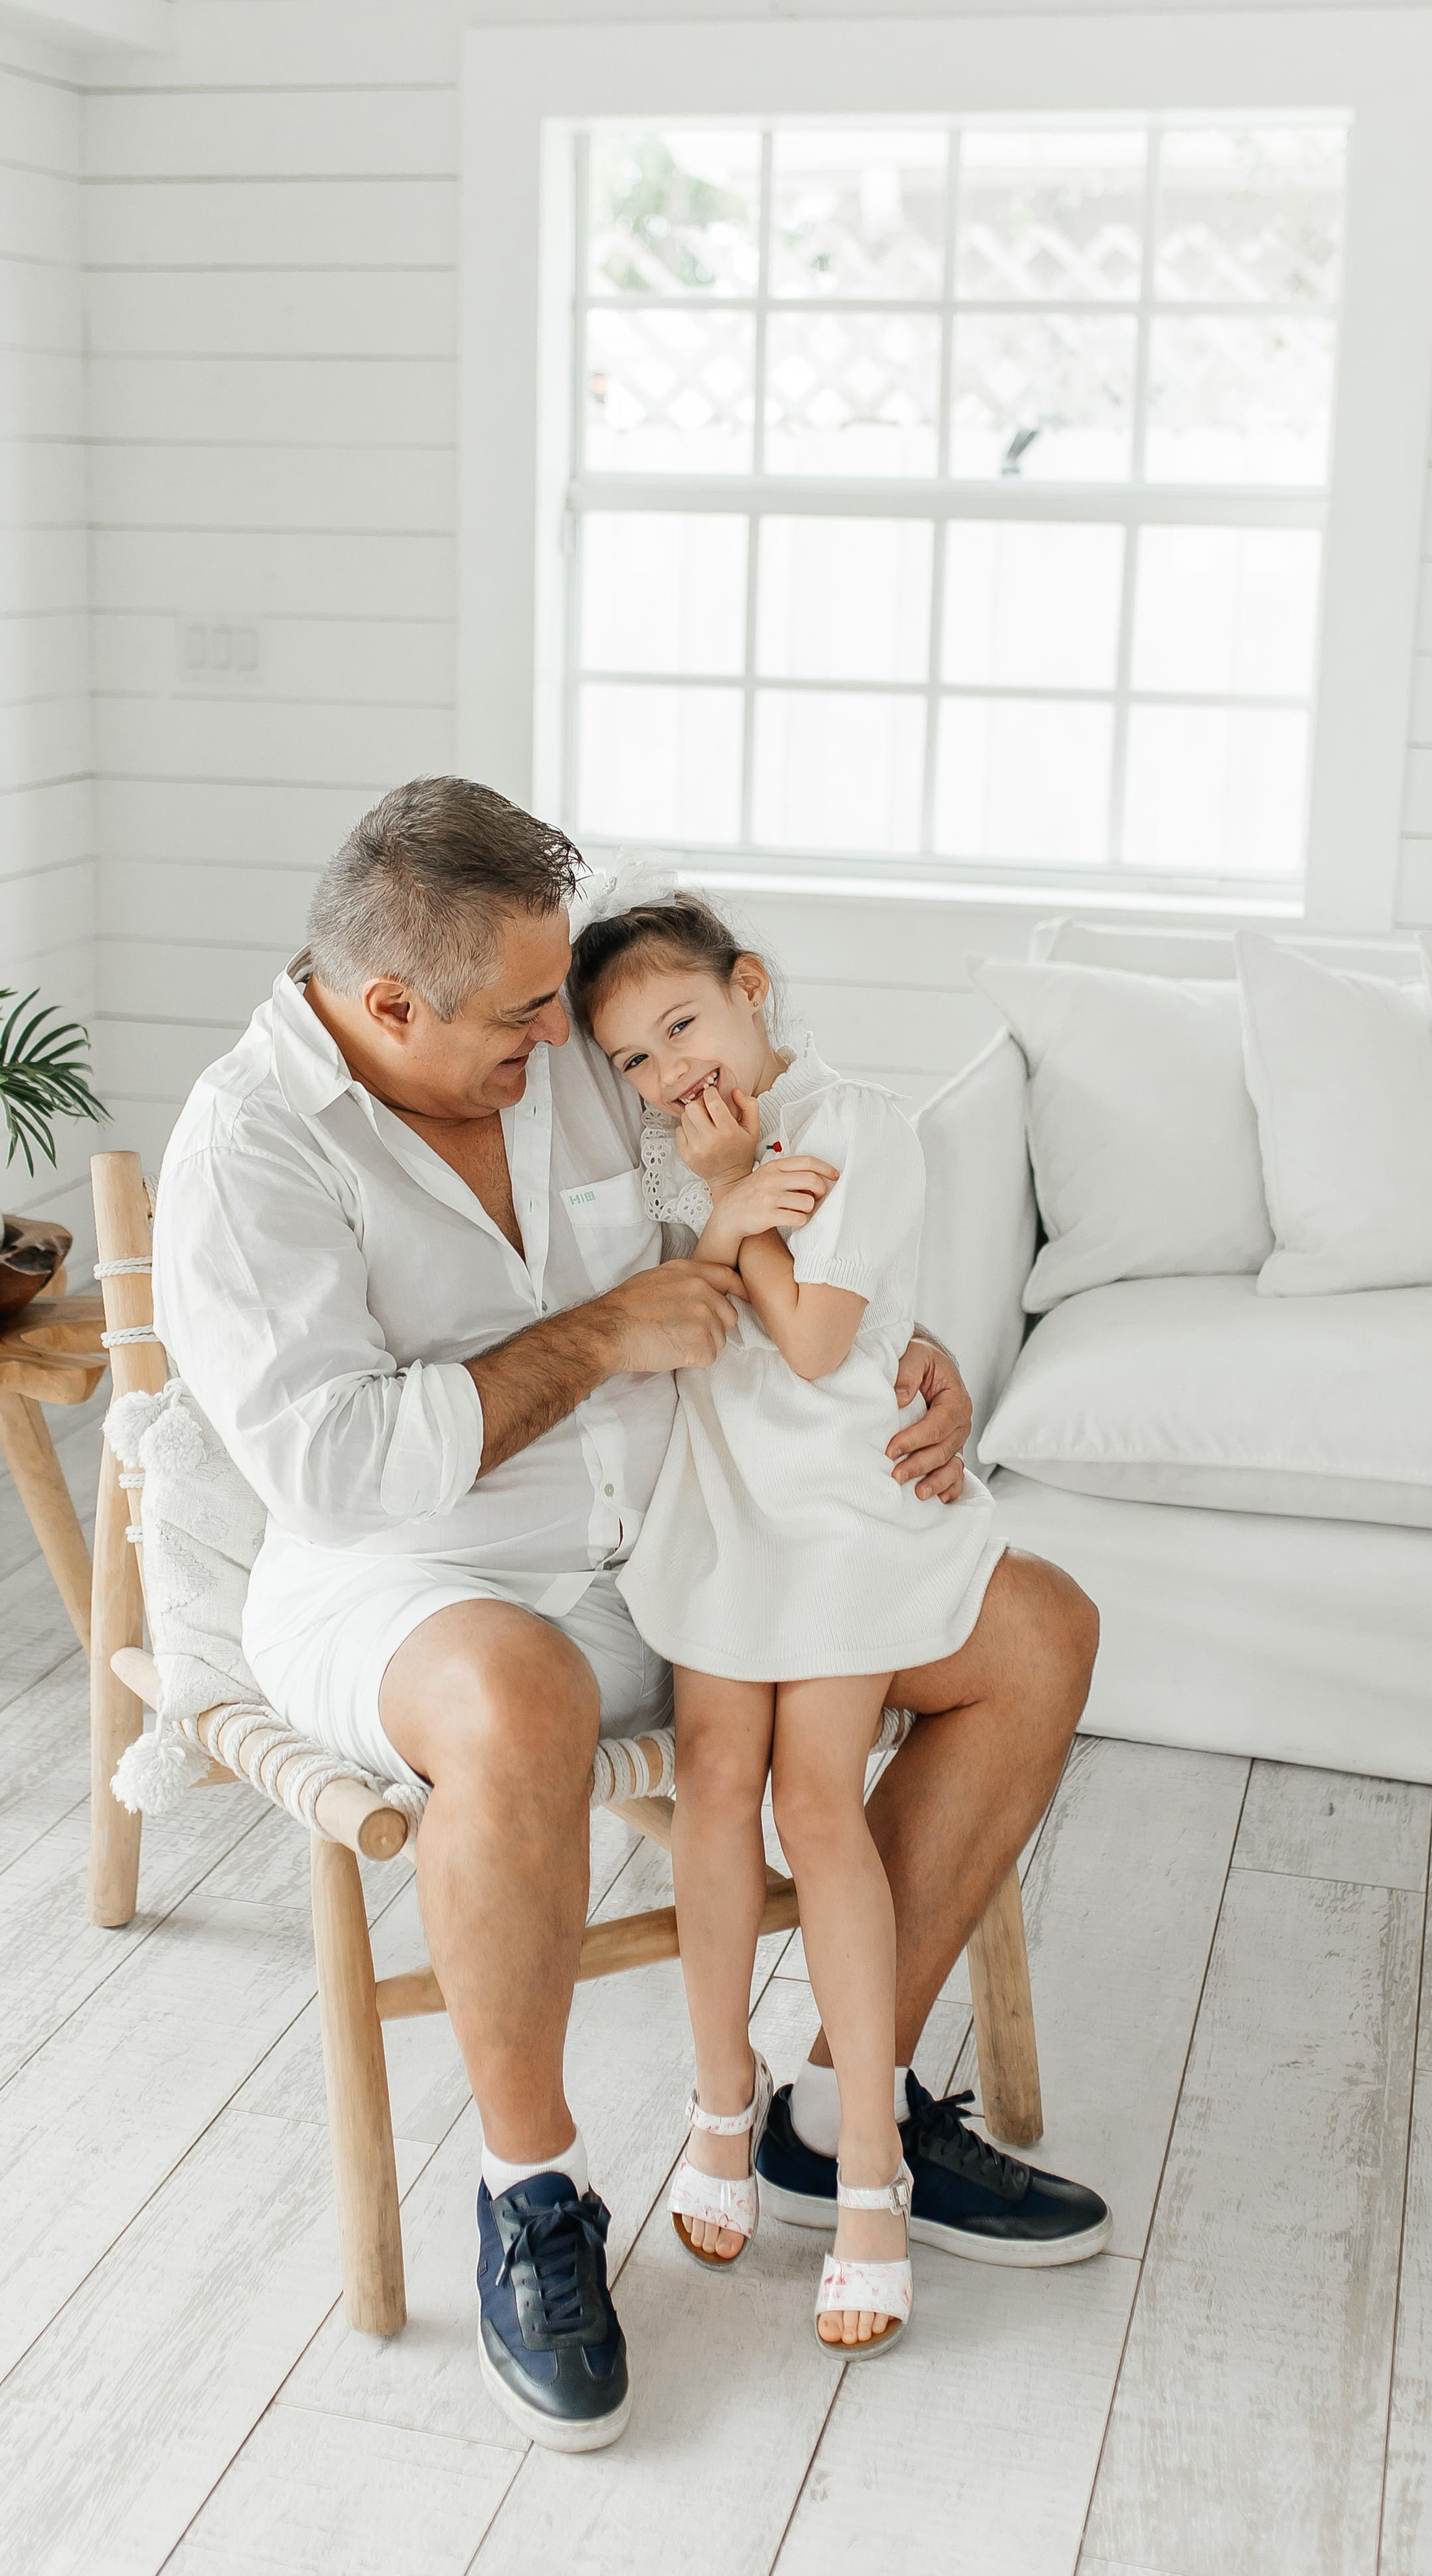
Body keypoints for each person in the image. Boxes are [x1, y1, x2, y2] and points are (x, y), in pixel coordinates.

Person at [153, 778, 1106, 2450]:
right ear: (389, 1006)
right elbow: (338, 1468)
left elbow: (744, 1233)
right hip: (417, 1586)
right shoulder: (247, 1151)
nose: (573, 1044)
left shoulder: (559, 1051)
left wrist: (909, 1349)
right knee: (517, 1703)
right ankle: (536, 2199)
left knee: (1035, 1629)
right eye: (527, 1015)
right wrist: (592, 1340)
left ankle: (832, 2106)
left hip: (684, 1546)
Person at [571, 887, 1009, 2356]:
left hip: (831, 1506)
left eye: (683, 1025)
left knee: (815, 1800)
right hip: (719, 1495)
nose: (670, 1072)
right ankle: (716, 2103)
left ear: (748, 988)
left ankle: (868, 2177)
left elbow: (818, 1340)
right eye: (633, 1058)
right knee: (711, 1782)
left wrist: (741, 1202)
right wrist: (713, 1205)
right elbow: (675, 1317)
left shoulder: (855, 1123)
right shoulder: (673, 1159)